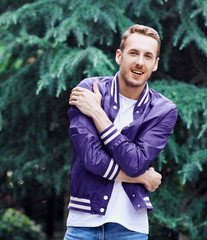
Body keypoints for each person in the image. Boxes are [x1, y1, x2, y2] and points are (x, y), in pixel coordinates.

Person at [64, 24, 178, 240]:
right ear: (119, 56)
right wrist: (141, 178)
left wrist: (97, 114)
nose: (139, 62)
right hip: (82, 225)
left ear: (155, 64)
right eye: (133, 53)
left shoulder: (163, 110)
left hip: (131, 229)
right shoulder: (89, 90)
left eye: (148, 56)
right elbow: (91, 159)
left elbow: (135, 162)